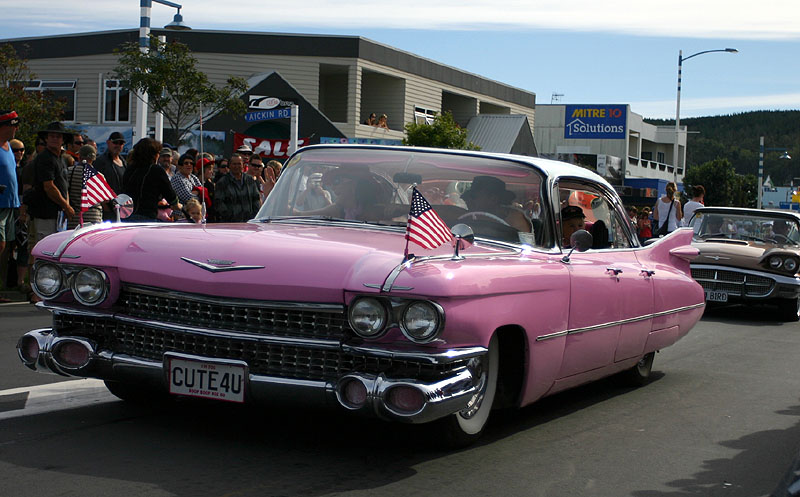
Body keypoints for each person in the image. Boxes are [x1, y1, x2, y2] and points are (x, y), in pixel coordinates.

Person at [29, 121, 75, 243]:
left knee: (57, 249)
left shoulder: (61, 159)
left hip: (58, 215)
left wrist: (66, 206)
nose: (54, 139)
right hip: (46, 213)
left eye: (58, 136)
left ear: (63, 140)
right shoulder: (45, 158)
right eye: (51, 136)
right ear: (46, 138)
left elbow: (64, 185)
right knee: (46, 249)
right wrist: (66, 206)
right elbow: (49, 187)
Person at [122, 138, 181, 222]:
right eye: (158, 153)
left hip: (127, 216)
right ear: (153, 155)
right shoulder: (156, 170)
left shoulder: (130, 169)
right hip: (147, 216)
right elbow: (169, 193)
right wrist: (176, 204)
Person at [459, 175, 531, 233]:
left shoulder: (515, 218)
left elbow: (525, 244)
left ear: (493, 199)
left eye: (473, 197)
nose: (468, 200)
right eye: (467, 197)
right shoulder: (467, 216)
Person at [0, 111, 21, 300]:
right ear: (5, 126)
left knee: (6, 248)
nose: (16, 129)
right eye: (14, 125)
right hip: (0, 204)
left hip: (10, 204)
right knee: (1, 245)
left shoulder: (7, 146)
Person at [214, 153, 261, 222]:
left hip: (249, 222)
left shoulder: (250, 180)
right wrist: (229, 216)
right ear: (229, 166)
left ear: (243, 165)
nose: (237, 166)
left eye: (239, 164)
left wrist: (254, 216)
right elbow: (219, 203)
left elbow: (256, 199)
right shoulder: (222, 182)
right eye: (234, 164)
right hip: (230, 224)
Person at [66, 145, 103, 230]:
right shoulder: (99, 176)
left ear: (80, 156)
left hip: (76, 219)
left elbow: (65, 191)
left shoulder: (70, 171)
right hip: (95, 218)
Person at [93, 131, 127, 220]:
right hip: (107, 210)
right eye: (115, 142)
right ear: (108, 143)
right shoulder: (100, 161)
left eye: (121, 143)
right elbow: (96, 184)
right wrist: (105, 206)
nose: (118, 145)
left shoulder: (124, 162)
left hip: (122, 209)